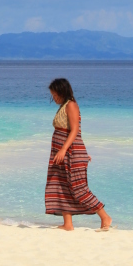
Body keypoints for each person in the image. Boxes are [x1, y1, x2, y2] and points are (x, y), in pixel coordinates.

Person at [45, 77, 112, 231]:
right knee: (61, 185)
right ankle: (68, 224)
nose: (53, 98)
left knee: (78, 188)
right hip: (63, 153)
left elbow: (75, 130)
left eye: (55, 95)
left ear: (62, 92)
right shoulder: (63, 106)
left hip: (69, 152)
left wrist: (64, 150)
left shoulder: (71, 105)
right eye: (52, 96)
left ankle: (105, 217)